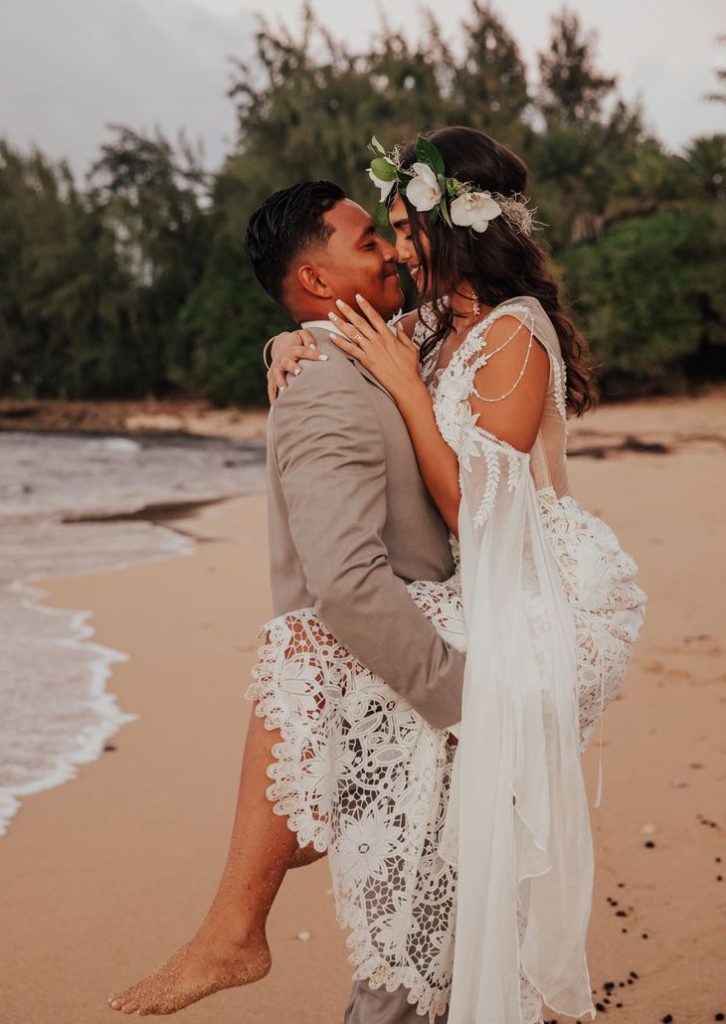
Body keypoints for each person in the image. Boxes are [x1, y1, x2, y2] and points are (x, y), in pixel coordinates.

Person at [109, 128, 646, 1024]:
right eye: (384, 230)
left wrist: (405, 387)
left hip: (544, 595)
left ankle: (241, 925)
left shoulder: (517, 336)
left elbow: (473, 508)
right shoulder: (432, 324)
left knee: (316, 642)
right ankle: (306, 925)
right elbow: (328, 327)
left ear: (460, 228)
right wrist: (284, 345)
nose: (396, 247)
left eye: (404, 225)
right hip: (477, 588)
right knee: (351, 703)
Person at [108, 179, 466, 1023]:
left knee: (430, 953)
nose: (390, 250)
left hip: (409, 687)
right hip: (402, 697)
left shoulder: (378, 349)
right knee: (407, 966)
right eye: (368, 240)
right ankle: (234, 935)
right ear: (315, 283)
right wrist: (463, 700)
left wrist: (284, 343)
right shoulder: (325, 385)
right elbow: (343, 583)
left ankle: (237, 931)